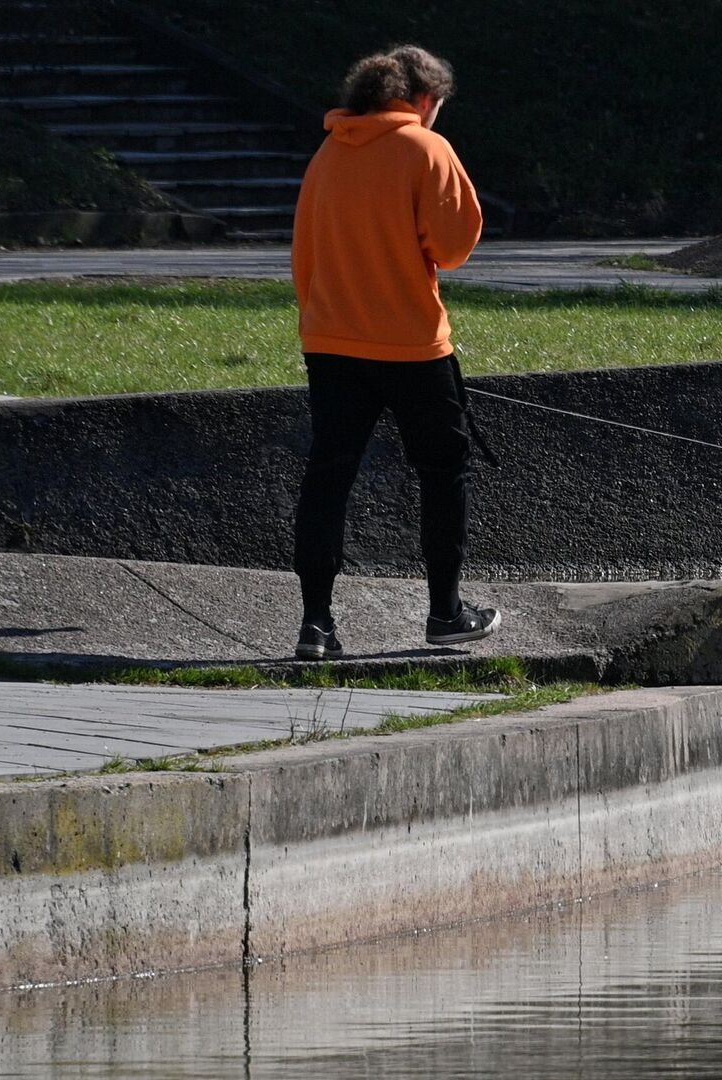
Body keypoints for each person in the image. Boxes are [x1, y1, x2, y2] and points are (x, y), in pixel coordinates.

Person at [289, 44, 497, 660]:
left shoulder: (327, 154)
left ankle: (316, 624)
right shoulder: (425, 148)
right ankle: (445, 612)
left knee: (329, 475)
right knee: (443, 471)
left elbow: (304, 254)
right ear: (424, 100)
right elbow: (453, 247)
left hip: (330, 342)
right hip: (412, 346)